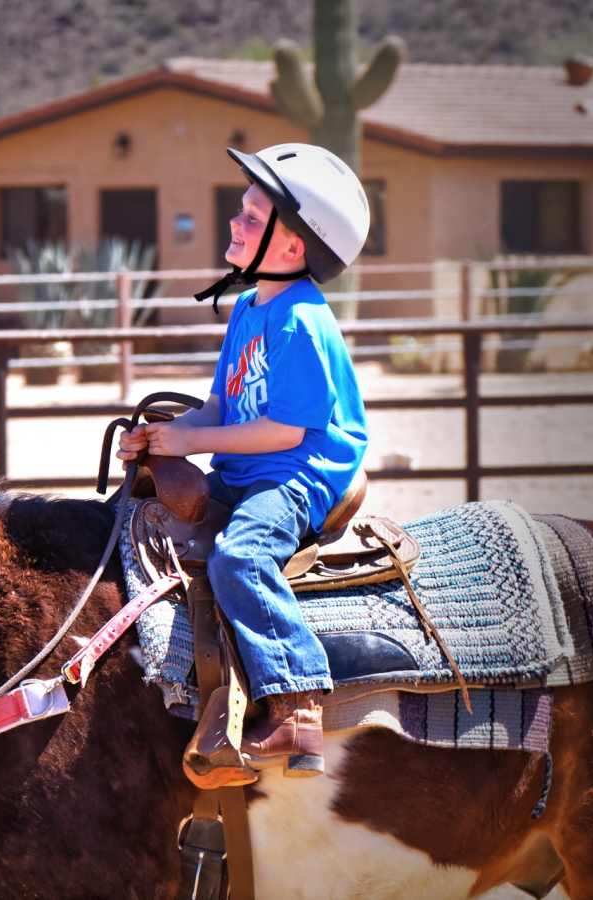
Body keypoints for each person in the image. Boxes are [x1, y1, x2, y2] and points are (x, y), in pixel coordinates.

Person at [117, 142, 370, 780]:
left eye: (253, 219)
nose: (235, 223)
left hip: (297, 475)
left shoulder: (301, 321)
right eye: (241, 211)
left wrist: (192, 444)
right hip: (251, 467)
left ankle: (298, 702)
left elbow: (285, 431)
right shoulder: (249, 311)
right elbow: (219, 409)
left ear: (293, 249)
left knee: (241, 555)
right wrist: (162, 436)